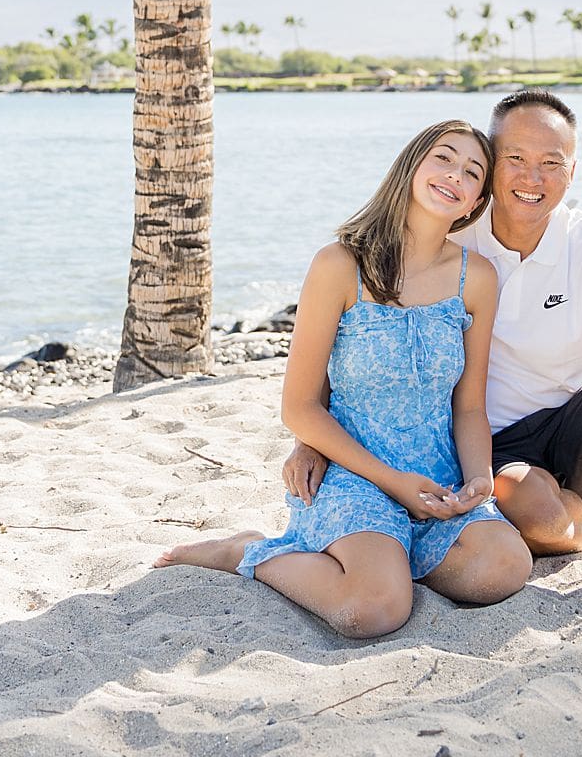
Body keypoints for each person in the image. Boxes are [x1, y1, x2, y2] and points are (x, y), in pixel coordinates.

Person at [285, 90, 582, 635]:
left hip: (571, 423)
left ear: (573, 171)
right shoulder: (449, 233)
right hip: (486, 450)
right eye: (515, 159)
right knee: (535, 512)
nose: (533, 176)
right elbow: (372, 343)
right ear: (493, 171)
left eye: (552, 163)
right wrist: (309, 437)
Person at [154, 120, 531, 637]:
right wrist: (395, 484)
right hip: (354, 472)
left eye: (472, 172)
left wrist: (479, 480)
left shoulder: (478, 278)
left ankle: (391, 557)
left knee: (505, 566)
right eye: (443, 158)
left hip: (436, 474)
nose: (455, 176)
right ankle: (252, 551)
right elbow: (300, 406)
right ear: (411, 165)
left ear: (475, 202)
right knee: (372, 610)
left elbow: (468, 406)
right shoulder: (339, 264)